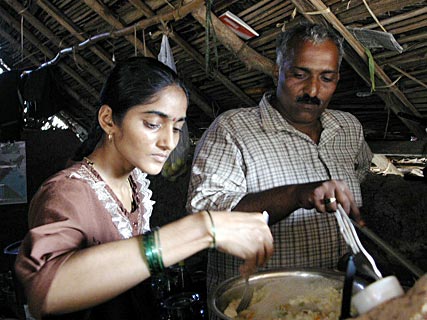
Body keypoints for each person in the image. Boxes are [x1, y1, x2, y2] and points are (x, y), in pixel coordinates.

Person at [14, 57, 274, 320]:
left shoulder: (134, 182)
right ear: (108, 120)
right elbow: (44, 293)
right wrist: (200, 229)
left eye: (177, 128)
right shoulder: (67, 193)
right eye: (152, 124)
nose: (169, 142)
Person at [186, 22, 373, 314]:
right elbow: (204, 218)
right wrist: (297, 195)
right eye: (300, 75)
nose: (313, 90)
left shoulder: (348, 129)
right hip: (253, 306)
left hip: (332, 304)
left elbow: (361, 170)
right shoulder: (233, 129)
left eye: (327, 78)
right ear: (277, 70)